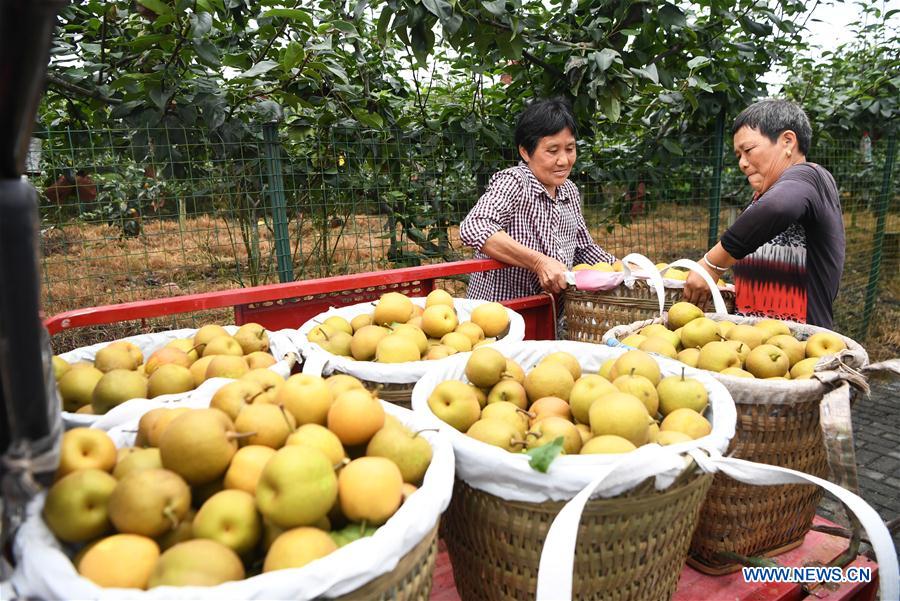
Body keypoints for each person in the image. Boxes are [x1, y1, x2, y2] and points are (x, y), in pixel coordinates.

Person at [683, 99, 845, 328]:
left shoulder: (810, 177)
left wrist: (710, 265)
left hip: (800, 350)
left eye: (748, 150)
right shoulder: (761, 197)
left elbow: (778, 207)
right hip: (757, 347)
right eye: (738, 155)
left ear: (787, 141)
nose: (742, 163)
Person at [459, 98, 615, 302]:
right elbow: (474, 227)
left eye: (570, 149)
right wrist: (539, 262)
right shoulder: (515, 182)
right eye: (552, 151)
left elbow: (583, 250)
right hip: (501, 317)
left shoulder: (569, 191)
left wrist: (623, 268)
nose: (564, 160)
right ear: (525, 151)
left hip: (547, 316)